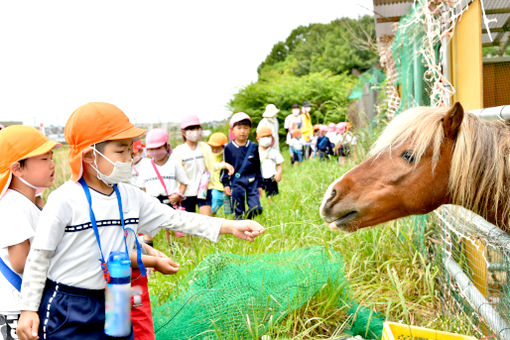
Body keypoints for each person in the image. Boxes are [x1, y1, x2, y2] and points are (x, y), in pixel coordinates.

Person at [16, 102, 265, 340]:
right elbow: (39, 257)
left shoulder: (130, 195)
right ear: (90, 156)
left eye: (130, 149)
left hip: (116, 297)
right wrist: (28, 309)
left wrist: (230, 226)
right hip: (69, 305)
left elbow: (175, 218)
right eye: (121, 150)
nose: (129, 157)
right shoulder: (65, 200)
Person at [0, 126, 60, 340]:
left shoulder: (28, 203)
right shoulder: (12, 205)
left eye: (52, 157)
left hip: (26, 306)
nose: (53, 164)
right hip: (16, 312)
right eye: (44, 159)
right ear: (17, 169)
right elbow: (21, 262)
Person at [137, 128, 189, 244]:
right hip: (152, 201)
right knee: (148, 230)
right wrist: (145, 200)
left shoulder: (174, 163)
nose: (155, 152)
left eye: (158, 148)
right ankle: (149, 254)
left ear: (166, 146)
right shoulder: (145, 166)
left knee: (171, 228)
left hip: (169, 199)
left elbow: (184, 183)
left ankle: (173, 250)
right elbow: (142, 187)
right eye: (152, 149)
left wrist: (178, 195)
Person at [221, 112, 263, 220]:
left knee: (256, 208)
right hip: (236, 183)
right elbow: (225, 166)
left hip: (252, 181)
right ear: (232, 130)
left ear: (250, 129)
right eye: (239, 128)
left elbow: (258, 166)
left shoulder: (253, 146)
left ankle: (248, 220)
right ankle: (240, 229)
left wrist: (260, 185)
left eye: (245, 128)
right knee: (238, 212)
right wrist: (226, 184)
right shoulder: (228, 148)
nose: (242, 131)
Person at [172, 115, 213, 215]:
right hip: (187, 192)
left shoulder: (205, 148)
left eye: (197, 128)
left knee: (206, 220)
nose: (195, 131)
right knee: (190, 224)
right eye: (191, 128)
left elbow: (211, 166)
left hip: (204, 189)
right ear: (183, 132)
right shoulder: (178, 151)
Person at [206, 132, 234, 216]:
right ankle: (210, 223)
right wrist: (223, 165)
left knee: (228, 212)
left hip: (227, 189)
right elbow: (212, 166)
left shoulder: (228, 156)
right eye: (212, 148)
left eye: (217, 148)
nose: (214, 150)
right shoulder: (210, 156)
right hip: (215, 188)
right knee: (213, 209)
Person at [256, 126, 283, 197]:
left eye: (268, 136)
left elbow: (279, 165)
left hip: (271, 177)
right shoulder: (255, 152)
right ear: (258, 139)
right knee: (258, 196)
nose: (266, 139)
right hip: (259, 178)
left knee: (271, 196)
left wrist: (279, 173)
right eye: (263, 136)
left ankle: (271, 207)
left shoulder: (274, 152)